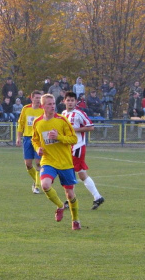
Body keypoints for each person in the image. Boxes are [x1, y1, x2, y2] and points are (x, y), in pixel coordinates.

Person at [31, 94, 81, 230]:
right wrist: (38, 148)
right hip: (48, 160)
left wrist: (58, 137)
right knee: (45, 185)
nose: (52, 106)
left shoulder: (62, 120)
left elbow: (74, 139)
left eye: (53, 104)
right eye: (49, 104)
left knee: (70, 194)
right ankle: (60, 206)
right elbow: (34, 139)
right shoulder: (38, 122)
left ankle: (75, 220)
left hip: (65, 162)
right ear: (43, 106)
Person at [62, 92, 105, 210]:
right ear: (64, 101)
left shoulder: (79, 113)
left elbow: (91, 127)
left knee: (70, 172)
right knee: (81, 174)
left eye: (72, 100)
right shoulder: (63, 114)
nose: (70, 102)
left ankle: (69, 200)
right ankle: (97, 197)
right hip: (68, 147)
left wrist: (76, 129)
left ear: (76, 102)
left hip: (77, 147)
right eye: (68, 100)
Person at [16, 90, 44, 194]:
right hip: (27, 138)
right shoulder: (26, 109)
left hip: (39, 139)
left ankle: (36, 186)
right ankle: (36, 180)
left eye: (39, 98)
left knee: (38, 162)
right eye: (36, 98)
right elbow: (21, 124)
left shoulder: (43, 110)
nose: (38, 100)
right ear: (31, 98)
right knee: (28, 164)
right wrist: (18, 138)